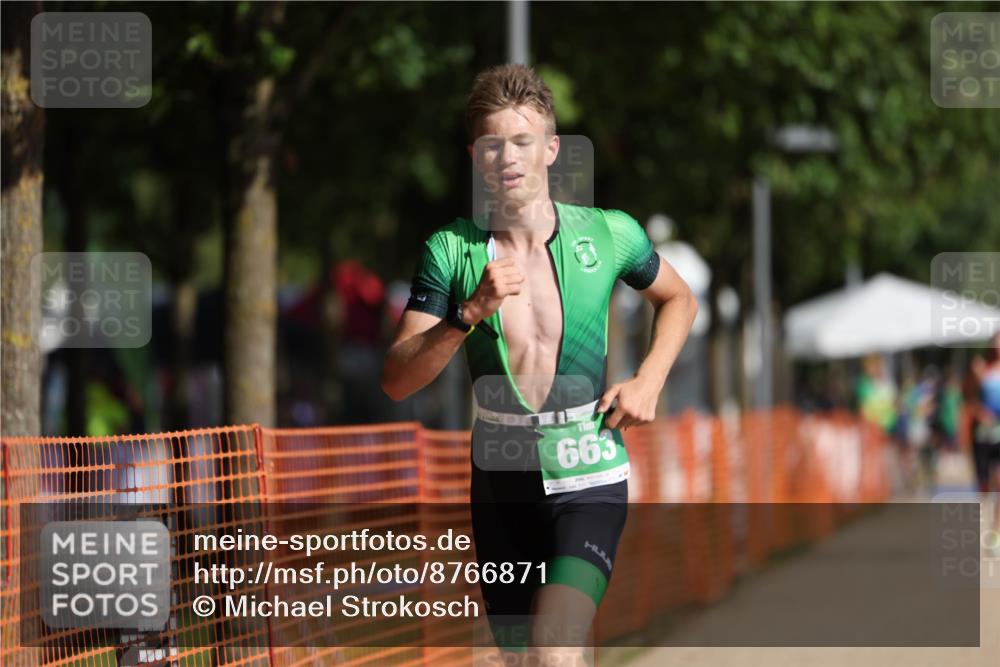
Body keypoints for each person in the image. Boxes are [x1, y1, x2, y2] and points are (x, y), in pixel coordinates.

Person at [381, 64, 697, 664]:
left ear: (551, 149)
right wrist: (468, 313)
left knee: (555, 644)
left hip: (589, 469)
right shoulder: (451, 251)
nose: (509, 158)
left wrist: (649, 380)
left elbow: (679, 298)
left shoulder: (608, 235)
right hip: (501, 475)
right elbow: (397, 379)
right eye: (494, 144)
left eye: (523, 142)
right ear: (476, 155)